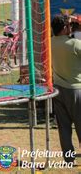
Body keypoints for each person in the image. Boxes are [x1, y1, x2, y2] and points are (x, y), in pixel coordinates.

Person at [50, 15, 81, 166]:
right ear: (64, 28)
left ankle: (69, 159)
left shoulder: (50, 43)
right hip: (76, 90)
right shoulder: (75, 44)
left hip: (57, 90)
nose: (71, 27)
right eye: (69, 25)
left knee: (64, 128)